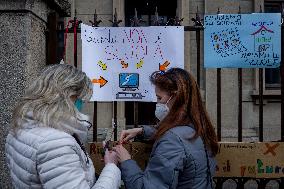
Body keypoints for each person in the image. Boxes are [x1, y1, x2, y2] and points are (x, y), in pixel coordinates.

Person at [5, 64, 121, 189]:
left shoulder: (21, 126)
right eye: (80, 98)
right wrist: (111, 167)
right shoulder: (55, 143)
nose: (81, 103)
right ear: (68, 96)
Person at [114, 68, 218, 189]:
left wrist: (126, 161)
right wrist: (143, 131)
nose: (157, 104)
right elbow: (182, 137)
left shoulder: (172, 140)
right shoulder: (201, 128)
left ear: (175, 97)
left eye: (159, 98)